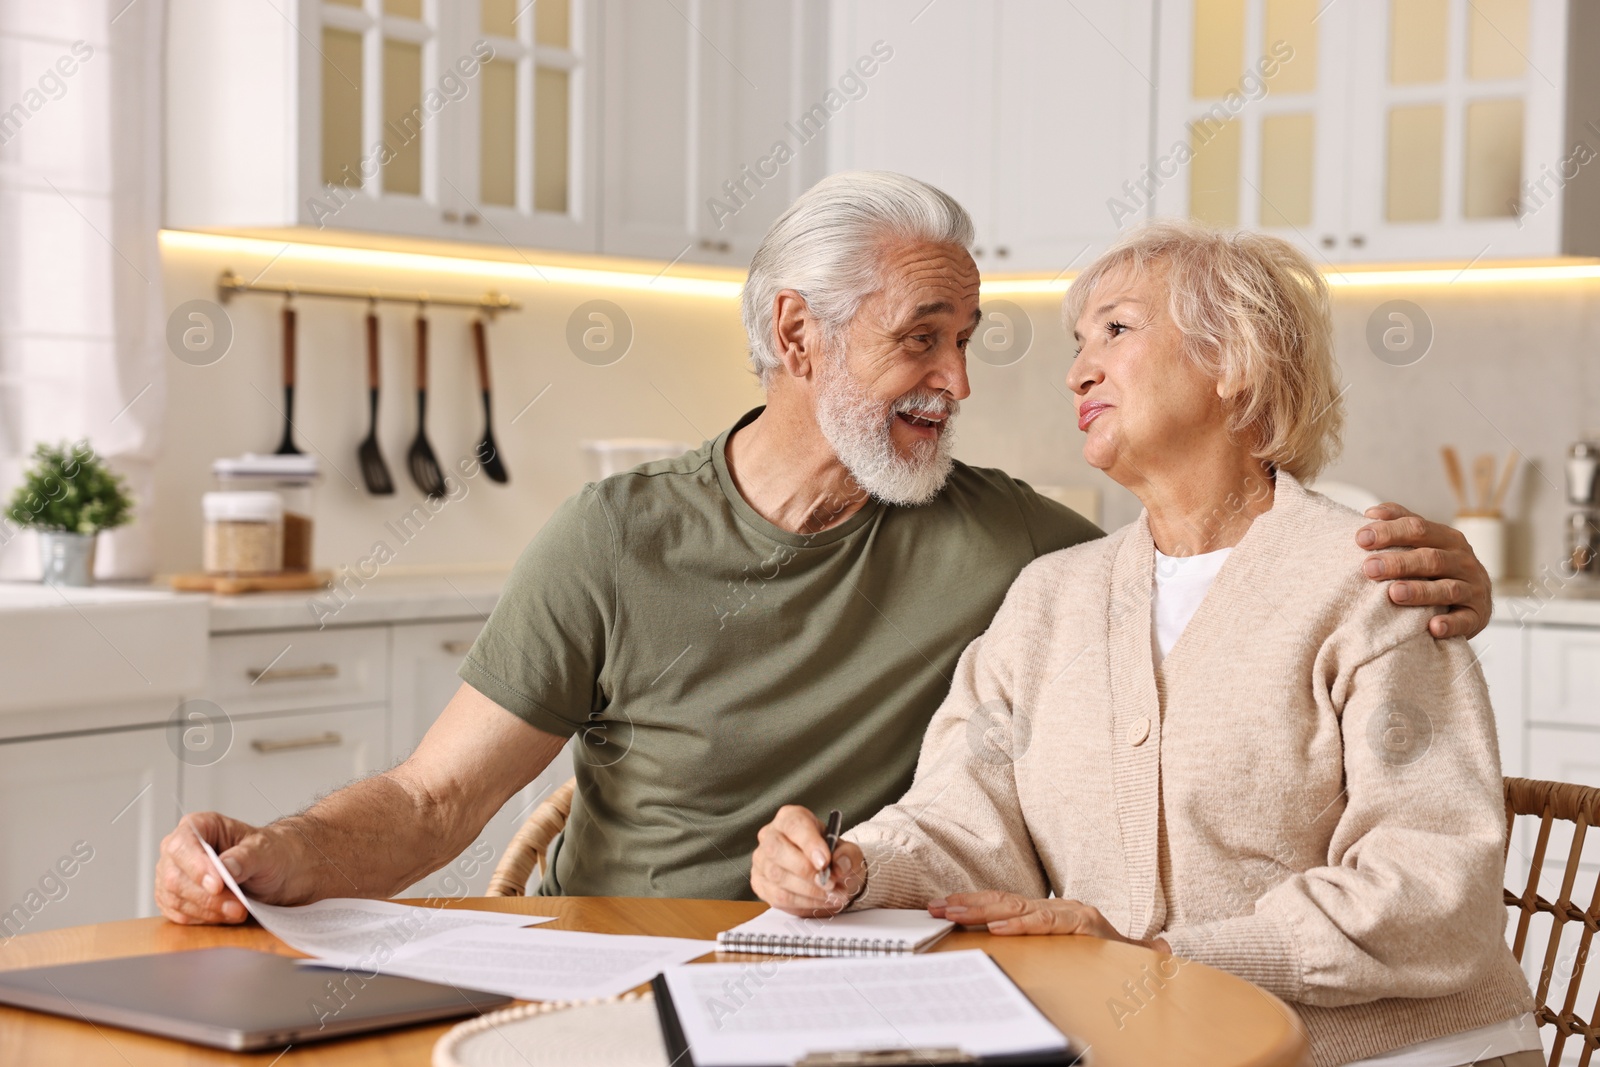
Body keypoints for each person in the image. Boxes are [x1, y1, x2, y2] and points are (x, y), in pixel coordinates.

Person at [156, 173, 1494, 923]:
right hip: (609, 961)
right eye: (923, 337)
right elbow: (438, 801)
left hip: (841, 968)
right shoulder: (615, 539)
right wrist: (276, 852)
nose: (960, 380)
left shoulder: (1019, 548)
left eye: (970, 340)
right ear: (800, 338)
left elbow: (1220, 584)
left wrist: (1451, 583)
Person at [750, 220, 1537, 1067]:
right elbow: (965, 816)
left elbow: (1432, 887)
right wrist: (853, 865)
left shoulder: (1379, 581)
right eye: (1079, 343)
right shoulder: (1051, 596)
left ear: (1239, 359)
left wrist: (1166, 958)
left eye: (1117, 331)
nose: (1078, 369)